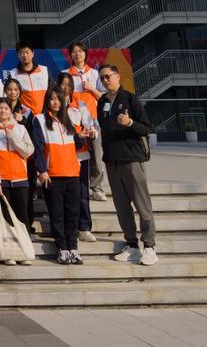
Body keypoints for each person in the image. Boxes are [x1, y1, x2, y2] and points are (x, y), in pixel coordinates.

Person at [97, 62, 158, 266]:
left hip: (131, 159)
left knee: (142, 205)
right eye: (102, 77)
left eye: (108, 76)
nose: (106, 80)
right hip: (112, 160)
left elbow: (146, 128)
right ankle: (132, 245)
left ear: (117, 76)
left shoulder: (131, 99)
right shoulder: (102, 102)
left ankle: (149, 246)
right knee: (122, 207)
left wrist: (130, 123)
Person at [33, 89, 85, 265]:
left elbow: (76, 143)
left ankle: (73, 248)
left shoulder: (67, 120)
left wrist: (82, 136)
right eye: (52, 99)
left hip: (72, 173)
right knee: (57, 213)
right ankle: (62, 248)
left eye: (59, 99)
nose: (56, 102)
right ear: (47, 101)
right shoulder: (39, 120)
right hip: (52, 174)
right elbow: (38, 148)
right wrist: (42, 170)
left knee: (73, 213)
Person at [0, 97, 34, 264]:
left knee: (21, 216)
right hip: (2, 180)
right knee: (4, 217)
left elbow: (28, 151)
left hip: (21, 179)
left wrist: (12, 137)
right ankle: (9, 253)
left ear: (11, 111)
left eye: (6, 108)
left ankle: (24, 251)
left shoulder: (20, 129)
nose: (3, 111)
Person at [53, 72, 99, 244]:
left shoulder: (79, 104)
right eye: (62, 84)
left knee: (82, 193)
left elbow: (90, 125)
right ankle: (65, 227)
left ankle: (84, 228)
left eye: (68, 84)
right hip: (61, 157)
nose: (65, 87)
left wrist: (90, 132)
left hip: (80, 156)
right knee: (63, 195)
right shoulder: (53, 106)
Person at [65, 42, 107, 200]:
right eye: (74, 52)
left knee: (97, 154)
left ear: (85, 53)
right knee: (76, 154)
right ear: (70, 55)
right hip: (74, 120)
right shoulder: (66, 74)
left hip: (93, 119)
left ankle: (97, 188)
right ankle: (77, 185)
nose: (78, 54)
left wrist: (92, 88)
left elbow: (103, 97)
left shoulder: (95, 74)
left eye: (80, 51)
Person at [5, 41, 49, 115]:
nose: (24, 55)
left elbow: (51, 92)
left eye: (27, 52)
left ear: (33, 54)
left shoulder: (44, 70)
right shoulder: (13, 74)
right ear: (17, 55)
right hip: (24, 117)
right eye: (21, 52)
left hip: (45, 115)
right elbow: (10, 97)